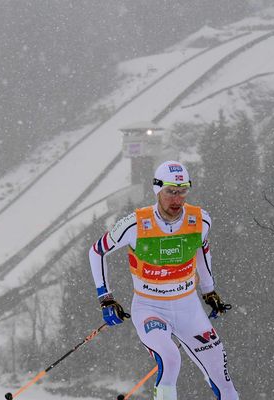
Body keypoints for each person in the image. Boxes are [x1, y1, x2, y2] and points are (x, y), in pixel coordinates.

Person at [88, 160, 239, 400]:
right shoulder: (135, 224)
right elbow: (97, 251)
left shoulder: (201, 220)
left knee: (224, 381)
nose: (177, 199)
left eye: (182, 191)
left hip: (188, 308)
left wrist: (209, 291)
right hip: (150, 308)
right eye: (170, 191)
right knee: (170, 358)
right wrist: (105, 299)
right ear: (157, 189)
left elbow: (202, 249)